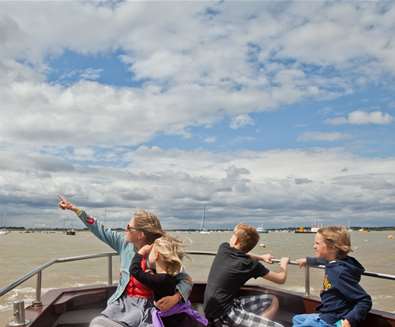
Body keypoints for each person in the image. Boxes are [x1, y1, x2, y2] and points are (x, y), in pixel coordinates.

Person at [58, 195, 192, 327]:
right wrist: (75, 209)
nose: (125, 229)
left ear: (140, 235)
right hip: (122, 303)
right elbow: (99, 229)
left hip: (149, 306)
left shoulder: (160, 251)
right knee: (97, 324)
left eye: (129, 227)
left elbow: (185, 279)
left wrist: (175, 298)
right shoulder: (124, 245)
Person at [203, 223, 289, 327]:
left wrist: (261, 257)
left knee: (272, 300)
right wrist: (283, 264)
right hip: (224, 315)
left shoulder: (223, 248)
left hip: (215, 309)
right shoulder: (250, 264)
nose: (231, 237)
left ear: (236, 241)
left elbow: (241, 253)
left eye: (233, 235)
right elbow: (280, 278)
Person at [293, 226, 372, 327]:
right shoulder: (341, 261)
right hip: (328, 313)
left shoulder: (338, 271)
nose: (314, 246)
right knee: (297, 319)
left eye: (317, 243)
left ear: (332, 247)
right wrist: (308, 260)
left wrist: (349, 321)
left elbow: (364, 300)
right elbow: (323, 260)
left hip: (330, 320)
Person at [131, 235, 208, 327]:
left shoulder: (158, 280)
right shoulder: (171, 275)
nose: (148, 254)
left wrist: (141, 253)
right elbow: (187, 279)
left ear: (157, 255)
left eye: (151, 251)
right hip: (179, 315)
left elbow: (134, 270)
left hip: (169, 320)